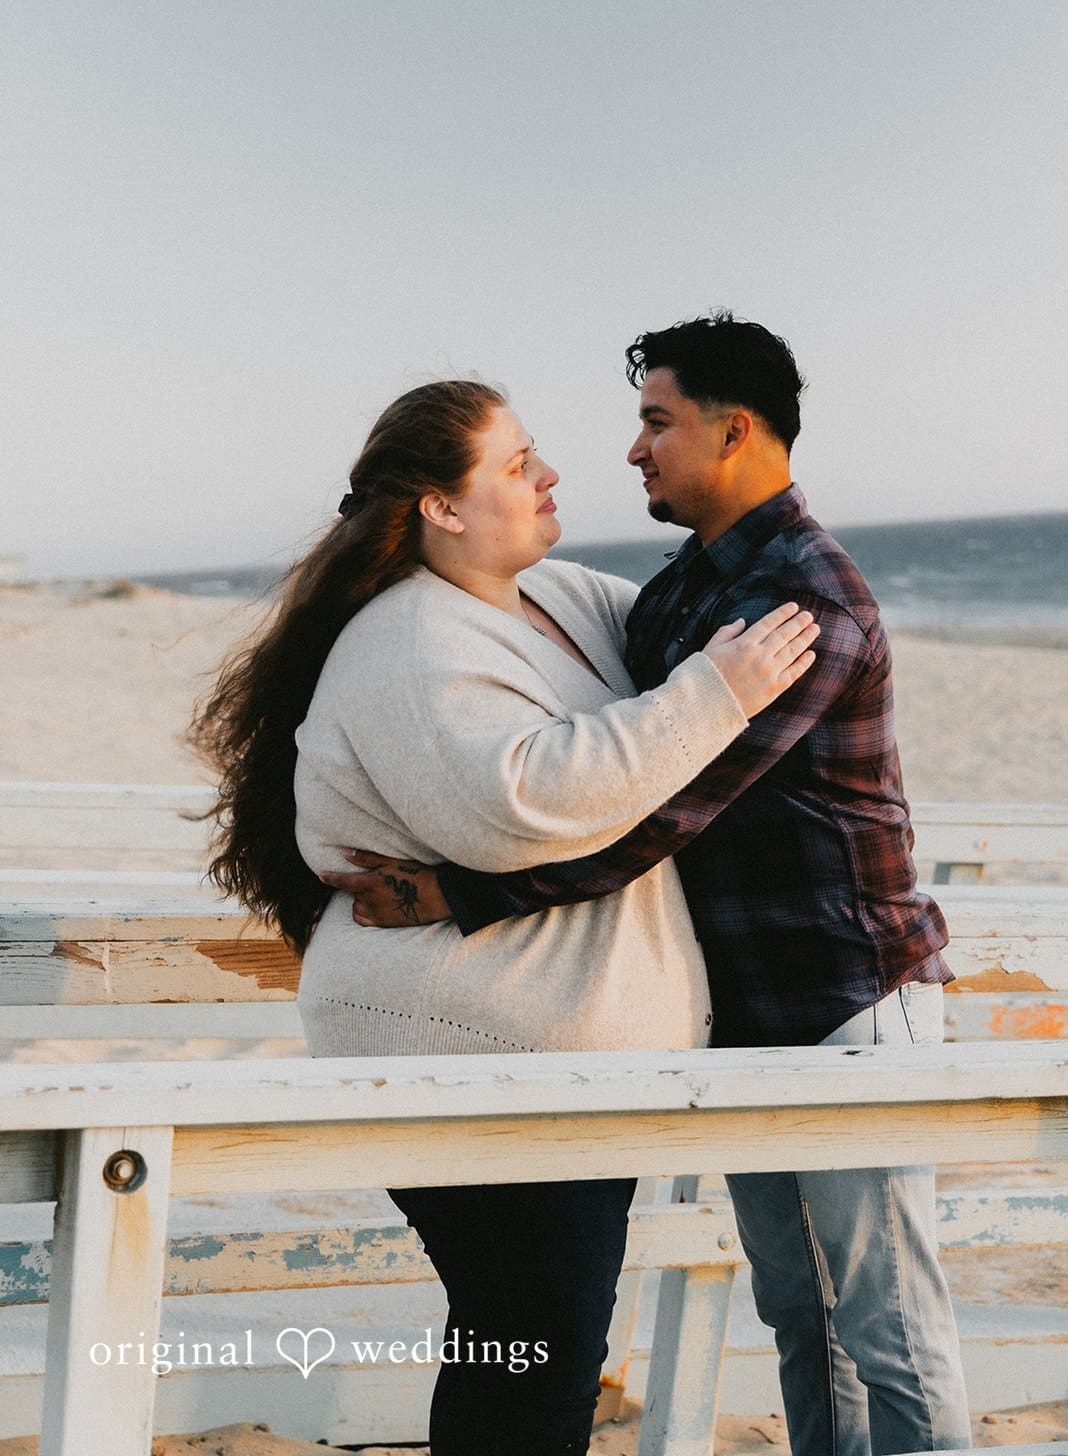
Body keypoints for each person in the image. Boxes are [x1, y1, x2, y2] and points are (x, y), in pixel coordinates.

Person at [326, 320, 973, 1456]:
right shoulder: (677, 594)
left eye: (656, 422)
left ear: (735, 431)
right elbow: (596, 751)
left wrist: (456, 895)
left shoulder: (801, 602)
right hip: (755, 1009)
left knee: (888, 1319)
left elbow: (660, 816)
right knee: (802, 1310)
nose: (632, 451)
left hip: (848, 994)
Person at [190, 377, 818, 1456]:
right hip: (471, 1044)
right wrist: (719, 694)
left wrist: (781, 576)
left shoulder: (561, 597)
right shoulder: (406, 638)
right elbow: (519, 801)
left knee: (524, 1337)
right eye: (517, 462)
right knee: (537, 1345)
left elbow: (677, 633)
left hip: (546, 1045)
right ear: (440, 505)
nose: (550, 473)